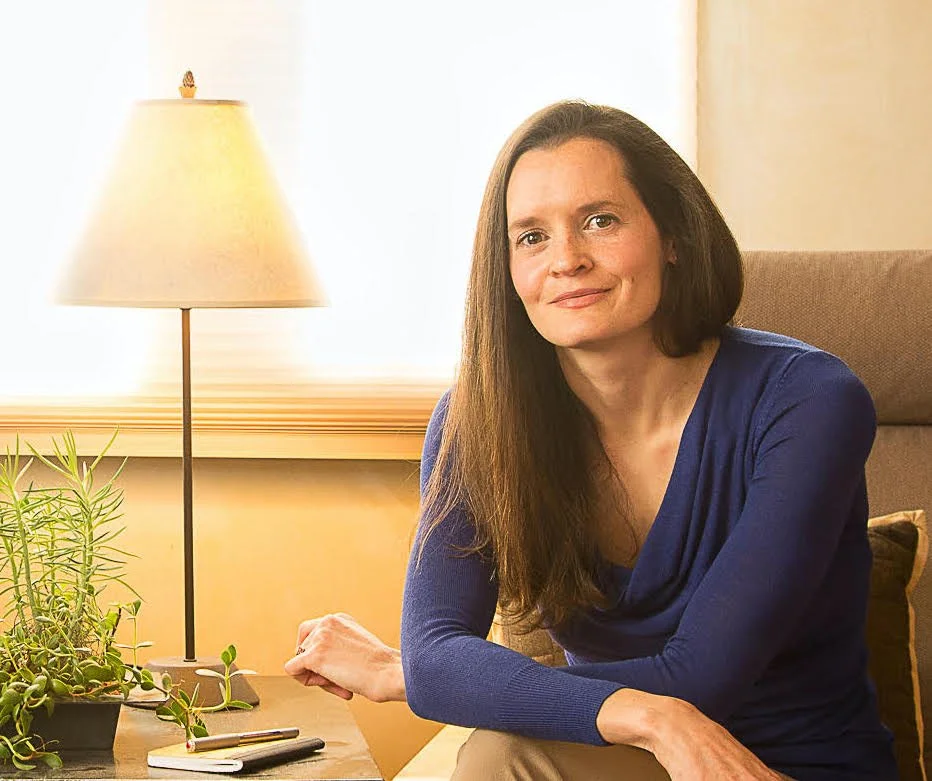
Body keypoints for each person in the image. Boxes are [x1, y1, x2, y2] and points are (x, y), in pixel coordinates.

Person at [284, 100, 899, 781]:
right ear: (507, 271)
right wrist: (652, 716)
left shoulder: (807, 400)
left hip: (778, 766)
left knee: (502, 755)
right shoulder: (477, 422)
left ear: (673, 234)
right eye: (531, 237)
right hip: (612, 752)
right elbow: (439, 648)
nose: (567, 259)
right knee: (501, 756)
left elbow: (698, 679)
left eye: (600, 220)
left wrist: (412, 676)